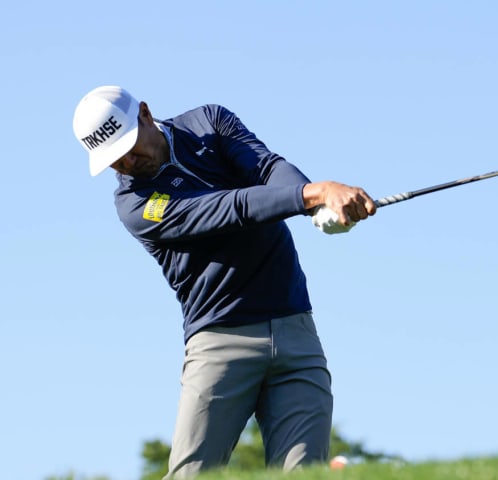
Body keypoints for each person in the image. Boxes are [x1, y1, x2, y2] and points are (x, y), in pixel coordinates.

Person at [72, 86, 375, 477]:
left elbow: (267, 169)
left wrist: (315, 204)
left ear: (145, 113)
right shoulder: (137, 206)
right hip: (219, 345)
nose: (129, 161)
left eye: (130, 146)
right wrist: (311, 194)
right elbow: (230, 208)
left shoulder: (208, 124)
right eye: (116, 160)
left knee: (305, 473)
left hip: (295, 329)